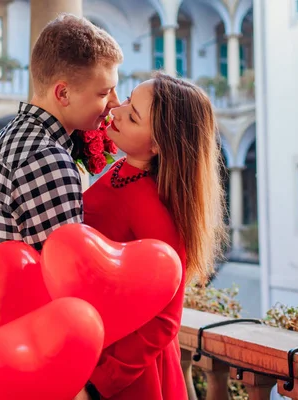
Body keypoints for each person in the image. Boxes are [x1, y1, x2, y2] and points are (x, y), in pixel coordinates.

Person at [79, 72, 228, 400]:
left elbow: (164, 320)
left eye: (132, 116)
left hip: (129, 376)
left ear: (159, 143)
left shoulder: (152, 208)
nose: (116, 111)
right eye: (129, 99)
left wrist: (100, 383)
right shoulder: (122, 170)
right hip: (96, 342)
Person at [0, 14, 122, 273]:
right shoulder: (45, 158)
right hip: (29, 312)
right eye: (104, 92)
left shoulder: (14, 133)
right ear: (63, 93)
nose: (115, 103)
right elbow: (68, 274)